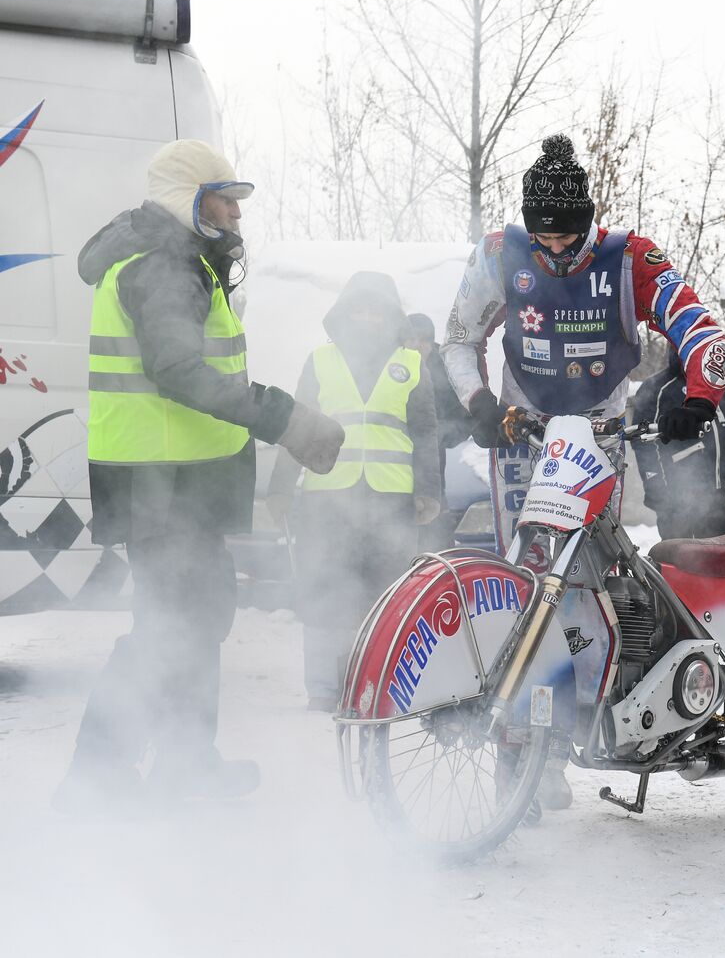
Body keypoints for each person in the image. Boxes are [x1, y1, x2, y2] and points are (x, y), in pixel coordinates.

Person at [440, 134, 725, 812]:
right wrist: (479, 402)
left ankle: (593, 724)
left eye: (568, 238)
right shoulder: (497, 254)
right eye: (542, 239)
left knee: (588, 587)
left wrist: (699, 395)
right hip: (521, 435)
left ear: (589, 223)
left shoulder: (628, 257)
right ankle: (523, 759)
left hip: (599, 434)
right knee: (519, 587)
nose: (555, 252)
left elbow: (700, 327)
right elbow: (457, 337)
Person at [55, 140, 344, 812]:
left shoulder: (174, 260)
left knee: (193, 618)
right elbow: (179, 370)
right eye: (225, 198)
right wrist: (282, 417)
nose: (236, 215)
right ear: (188, 200)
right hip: (164, 486)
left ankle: (185, 764)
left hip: (174, 482)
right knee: (167, 630)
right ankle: (94, 778)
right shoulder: (164, 265)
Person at [267, 273, 442, 711]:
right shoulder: (321, 360)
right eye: (359, 310)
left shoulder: (413, 364)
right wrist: (280, 488)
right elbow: (295, 423)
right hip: (329, 499)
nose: (368, 319)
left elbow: (425, 432)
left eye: (377, 311)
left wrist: (428, 490)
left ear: (391, 317)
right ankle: (324, 690)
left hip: (391, 500)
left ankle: (378, 689)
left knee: (385, 596)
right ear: (344, 315)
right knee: (325, 589)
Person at [632, 348, 725, 539]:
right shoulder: (657, 388)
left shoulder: (715, 386)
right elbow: (643, 441)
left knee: (717, 563)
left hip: (716, 500)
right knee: (680, 566)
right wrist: (656, 489)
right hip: (676, 500)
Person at [402, 311, 472, 550]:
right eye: (411, 339)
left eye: (422, 340)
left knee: (434, 523)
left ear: (431, 342)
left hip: (432, 462)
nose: (416, 345)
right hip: (395, 461)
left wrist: (440, 436)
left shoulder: (446, 369)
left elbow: (464, 417)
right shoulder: (393, 365)